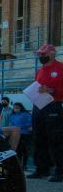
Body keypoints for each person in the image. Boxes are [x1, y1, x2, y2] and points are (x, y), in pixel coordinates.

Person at [29, 44, 63, 182]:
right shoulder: (39, 71)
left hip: (54, 106)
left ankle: (59, 170)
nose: (41, 57)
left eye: (44, 54)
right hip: (38, 106)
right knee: (38, 138)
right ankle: (41, 169)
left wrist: (51, 90)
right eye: (40, 55)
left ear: (52, 54)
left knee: (55, 140)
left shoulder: (60, 68)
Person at [9, 102, 32, 169]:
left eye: (17, 108)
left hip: (24, 134)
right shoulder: (13, 115)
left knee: (24, 150)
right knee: (17, 150)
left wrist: (20, 127)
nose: (15, 109)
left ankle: (24, 165)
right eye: (14, 108)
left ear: (21, 108)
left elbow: (29, 123)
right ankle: (18, 164)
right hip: (16, 134)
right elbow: (11, 124)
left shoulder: (26, 114)